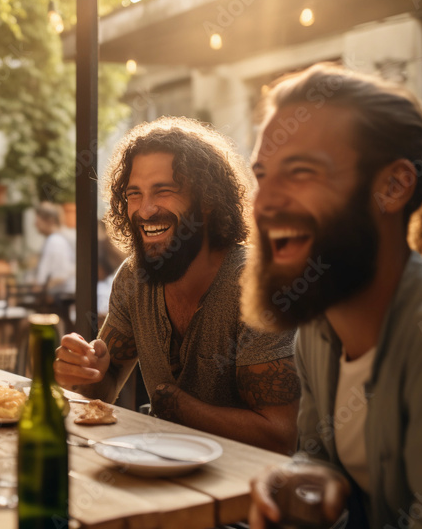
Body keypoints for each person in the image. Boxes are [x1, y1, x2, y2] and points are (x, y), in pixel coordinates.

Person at [244, 63, 422, 528]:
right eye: (262, 174)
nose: (265, 201)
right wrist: (302, 480)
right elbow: (318, 459)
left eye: (300, 172)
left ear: (393, 186)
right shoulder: (318, 329)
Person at [53, 116, 299, 454]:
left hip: (250, 491)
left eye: (163, 191)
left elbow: (280, 436)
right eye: (134, 194)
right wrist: (83, 373)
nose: (146, 210)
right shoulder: (134, 277)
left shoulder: (258, 283)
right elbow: (103, 390)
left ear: (208, 201)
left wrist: (174, 405)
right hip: (162, 469)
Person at [32, 202, 76, 298]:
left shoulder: (55, 241)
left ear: (49, 221)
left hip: (60, 297)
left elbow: (60, 275)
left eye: (38, 220)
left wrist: (41, 288)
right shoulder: (55, 239)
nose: (35, 224)